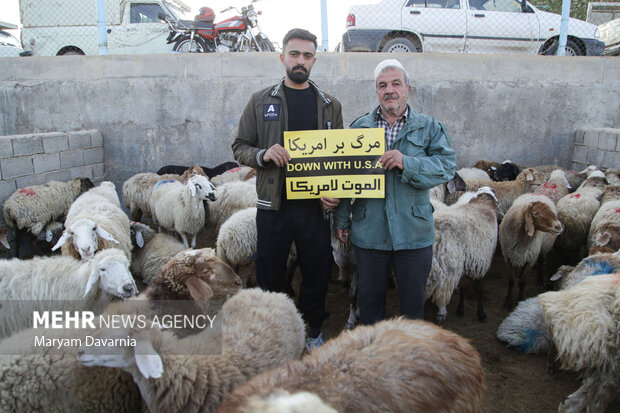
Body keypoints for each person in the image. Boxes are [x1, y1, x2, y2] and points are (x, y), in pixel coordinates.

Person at [231, 28, 343, 350]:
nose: (300, 61)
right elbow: (239, 146)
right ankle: (273, 331)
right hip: (274, 204)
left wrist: (334, 191)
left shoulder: (329, 106)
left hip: (314, 207)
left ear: (314, 61)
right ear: (282, 57)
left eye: (307, 56)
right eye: (294, 54)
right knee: (270, 270)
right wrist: (263, 155)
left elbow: (338, 154)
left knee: (316, 270)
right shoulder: (261, 100)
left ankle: (313, 330)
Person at [334, 59, 456, 325]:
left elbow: (446, 168)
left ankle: (409, 359)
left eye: (396, 84)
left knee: (413, 307)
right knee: (369, 306)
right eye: (382, 85)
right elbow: (345, 176)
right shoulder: (359, 128)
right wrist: (342, 218)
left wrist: (407, 162)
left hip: (413, 232)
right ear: (377, 91)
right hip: (370, 231)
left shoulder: (429, 128)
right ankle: (374, 359)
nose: (389, 90)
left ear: (407, 89)